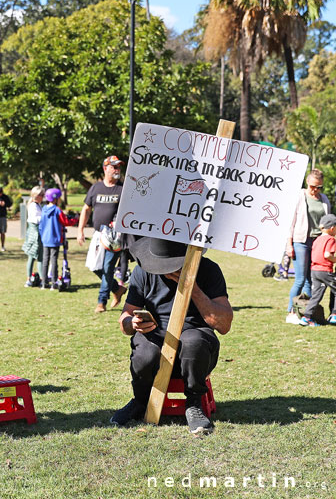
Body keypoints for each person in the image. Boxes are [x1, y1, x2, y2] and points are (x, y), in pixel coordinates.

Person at [110, 237, 232, 434]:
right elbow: (125, 320)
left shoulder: (208, 270)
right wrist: (132, 323)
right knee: (145, 351)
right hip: (156, 342)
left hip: (195, 350)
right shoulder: (142, 272)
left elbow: (224, 325)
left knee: (192, 342)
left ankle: (193, 403)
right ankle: (140, 400)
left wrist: (194, 289)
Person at [77, 155, 126, 313]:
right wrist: (80, 230)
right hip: (98, 234)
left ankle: (101, 302)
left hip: (115, 236)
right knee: (94, 266)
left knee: (107, 267)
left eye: (118, 167)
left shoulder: (122, 189)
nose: (117, 169)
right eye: (114, 167)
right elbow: (86, 209)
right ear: (105, 168)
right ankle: (117, 289)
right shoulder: (95, 188)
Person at [286, 169, 330, 325]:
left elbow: (327, 223)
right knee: (300, 279)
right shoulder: (299, 196)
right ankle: (291, 311)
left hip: (318, 242)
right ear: (307, 183)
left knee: (311, 281)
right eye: (313, 186)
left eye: (319, 187)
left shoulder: (324, 199)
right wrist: (289, 244)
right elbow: (291, 222)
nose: (315, 190)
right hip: (301, 241)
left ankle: (307, 313)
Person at [301, 214, 336, 327]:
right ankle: (334, 315)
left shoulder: (317, 239)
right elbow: (327, 255)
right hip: (325, 270)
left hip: (315, 270)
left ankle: (306, 317)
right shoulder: (331, 239)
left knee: (316, 295)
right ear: (332, 228)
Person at [39, 188, 77, 290]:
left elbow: (41, 225)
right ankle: (54, 282)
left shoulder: (43, 209)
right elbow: (65, 221)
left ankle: (44, 283)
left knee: (45, 260)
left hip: (45, 239)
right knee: (54, 260)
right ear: (55, 199)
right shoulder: (57, 210)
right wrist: (75, 220)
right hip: (55, 239)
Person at [22, 186, 45, 287]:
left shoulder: (38, 205)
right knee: (32, 256)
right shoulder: (33, 205)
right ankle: (28, 279)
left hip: (39, 232)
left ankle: (41, 278)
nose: (43, 197)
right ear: (36, 195)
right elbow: (36, 219)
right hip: (34, 232)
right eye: (41, 195)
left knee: (40, 256)